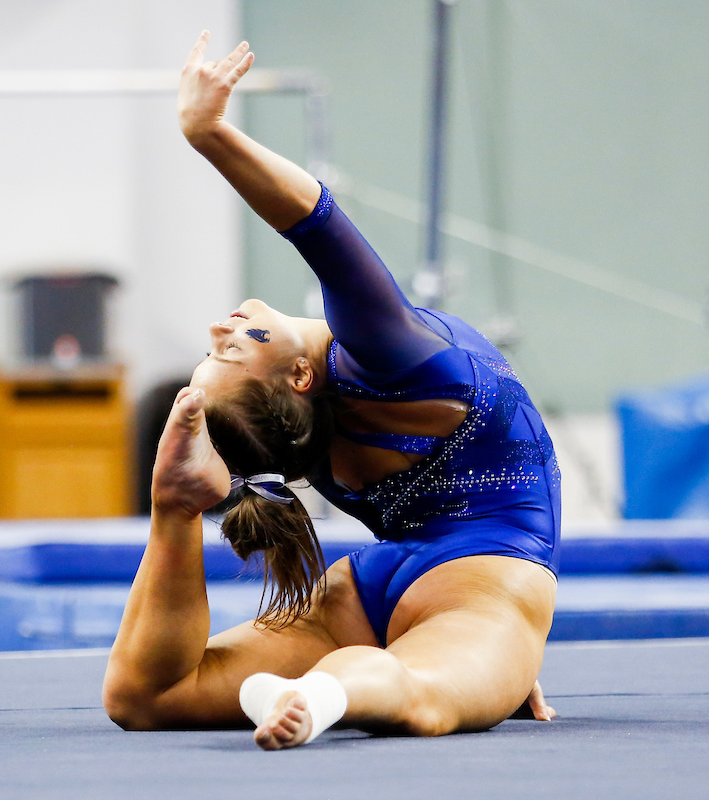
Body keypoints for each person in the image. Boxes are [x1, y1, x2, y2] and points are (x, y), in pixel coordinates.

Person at [102, 32, 559, 750]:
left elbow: (140, 693)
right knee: (428, 692)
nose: (223, 324)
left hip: (377, 588)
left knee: (152, 696)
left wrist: (495, 654)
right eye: (233, 348)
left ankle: (178, 518)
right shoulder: (389, 361)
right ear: (298, 376)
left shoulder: (293, 437)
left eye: (214, 345)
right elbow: (319, 227)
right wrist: (210, 134)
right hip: (484, 585)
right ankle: (325, 694)